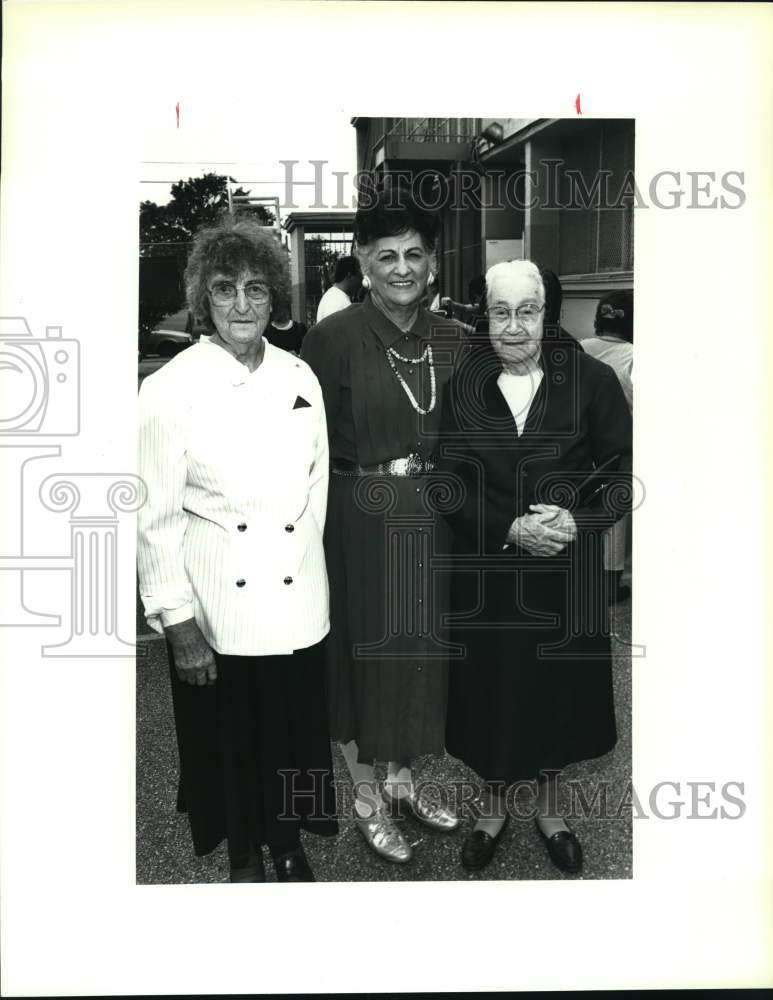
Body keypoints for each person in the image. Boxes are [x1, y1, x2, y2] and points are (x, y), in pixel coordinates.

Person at [138, 216, 337, 883]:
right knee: (229, 743)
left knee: (287, 737)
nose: (243, 305)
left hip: (296, 602)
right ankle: (245, 852)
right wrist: (177, 622)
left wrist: (311, 580)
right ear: (203, 299)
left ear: (276, 297)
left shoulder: (299, 376)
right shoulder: (167, 390)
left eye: (256, 288)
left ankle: (287, 841)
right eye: (225, 290)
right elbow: (155, 517)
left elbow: (318, 491)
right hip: (218, 606)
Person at [439, 259, 632, 875]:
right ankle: (491, 810)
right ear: (484, 315)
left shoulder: (592, 381)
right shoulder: (464, 381)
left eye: (528, 311)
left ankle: (551, 812)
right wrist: (508, 528)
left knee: (555, 697)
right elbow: (445, 480)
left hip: (563, 575)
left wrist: (578, 523)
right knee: (492, 694)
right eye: (501, 312)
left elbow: (623, 474)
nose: (515, 327)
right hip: (489, 574)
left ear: (548, 314)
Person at [302, 186, 464, 863]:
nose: (402, 268)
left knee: (416, 663)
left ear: (432, 266)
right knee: (361, 665)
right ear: (362, 262)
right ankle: (367, 799)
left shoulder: (456, 339)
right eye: (386, 255)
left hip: (433, 526)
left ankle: (402, 780)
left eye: (415, 255)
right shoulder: (331, 340)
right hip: (357, 524)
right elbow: (301, 448)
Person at [581, 290, 634, 601]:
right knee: (617, 520)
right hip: (619, 446)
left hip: (585, 446)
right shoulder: (634, 355)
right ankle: (612, 583)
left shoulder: (582, 348)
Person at [315, 255, 361, 322]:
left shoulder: (332, 295)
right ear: (349, 275)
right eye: (359, 277)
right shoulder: (340, 303)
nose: (360, 282)